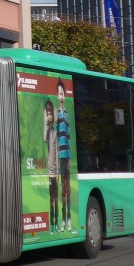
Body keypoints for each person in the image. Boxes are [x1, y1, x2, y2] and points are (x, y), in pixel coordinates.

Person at [56, 81, 72, 232]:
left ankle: (69, 219)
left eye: (62, 93)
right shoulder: (57, 114)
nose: (60, 96)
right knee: (62, 189)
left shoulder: (66, 114)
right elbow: (56, 136)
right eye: (58, 93)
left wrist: (70, 158)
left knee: (68, 189)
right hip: (60, 156)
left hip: (67, 156)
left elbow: (69, 135)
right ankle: (63, 218)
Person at [43, 98, 59, 232]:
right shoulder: (48, 132)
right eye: (47, 113)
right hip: (48, 171)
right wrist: (46, 124)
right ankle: (52, 224)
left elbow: (57, 152)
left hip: (55, 171)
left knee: (56, 198)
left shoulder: (56, 132)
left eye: (50, 113)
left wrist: (58, 172)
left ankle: (57, 222)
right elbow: (44, 139)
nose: (49, 116)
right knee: (50, 199)